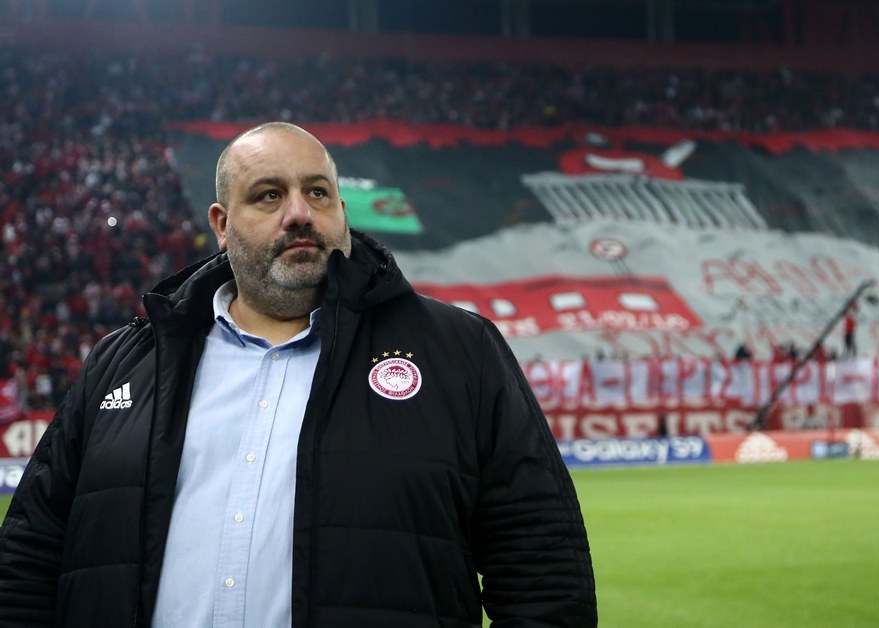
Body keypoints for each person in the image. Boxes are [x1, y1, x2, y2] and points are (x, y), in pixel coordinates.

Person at [0, 122, 597, 627]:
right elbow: (29, 556)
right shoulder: (123, 363)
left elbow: (543, 568)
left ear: (342, 210)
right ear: (221, 224)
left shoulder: (459, 351)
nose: (299, 214)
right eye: (268, 195)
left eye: (317, 192)